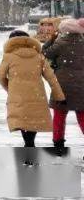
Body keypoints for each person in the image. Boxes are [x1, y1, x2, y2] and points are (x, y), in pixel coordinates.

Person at [0, 30, 65, 147]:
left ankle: (28, 144)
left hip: (18, 95)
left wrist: (10, 88)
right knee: (32, 120)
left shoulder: (9, 57)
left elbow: (0, 76)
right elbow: (51, 78)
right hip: (36, 94)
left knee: (23, 120)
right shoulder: (39, 57)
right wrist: (59, 96)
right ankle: (30, 143)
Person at [43, 18, 84, 150]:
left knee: (59, 115)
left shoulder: (60, 43)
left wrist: (52, 38)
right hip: (81, 85)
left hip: (62, 85)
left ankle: (58, 143)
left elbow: (45, 52)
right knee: (82, 115)